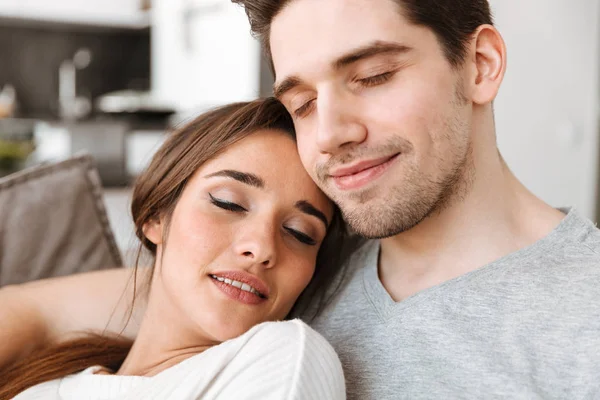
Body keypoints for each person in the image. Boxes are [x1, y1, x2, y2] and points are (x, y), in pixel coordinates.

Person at [2, 0, 600, 398]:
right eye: (303, 104)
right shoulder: (300, 265)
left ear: (481, 64)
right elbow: (36, 316)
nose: (331, 132)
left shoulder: (582, 322)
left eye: (371, 76)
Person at [0, 98, 347, 399]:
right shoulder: (45, 382)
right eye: (228, 203)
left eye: (300, 233)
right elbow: (31, 306)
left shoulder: (282, 355)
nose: (261, 247)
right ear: (155, 217)